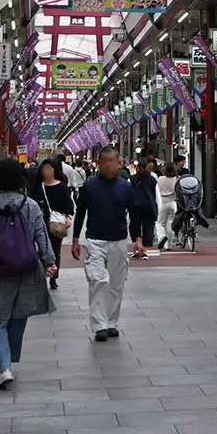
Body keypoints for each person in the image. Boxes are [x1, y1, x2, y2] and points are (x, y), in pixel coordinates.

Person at [0, 160, 58, 388]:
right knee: (18, 316)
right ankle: (6, 363)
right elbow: (41, 236)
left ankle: (3, 366)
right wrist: (49, 261)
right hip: (26, 269)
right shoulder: (31, 205)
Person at [70, 147, 142, 342]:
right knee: (98, 280)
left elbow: (134, 214)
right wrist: (76, 238)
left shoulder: (125, 187)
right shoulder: (90, 186)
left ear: (118, 163)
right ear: (99, 163)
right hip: (95, 240)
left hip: (119, 240)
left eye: (112, 160)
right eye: (105, 161)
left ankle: (112, 323)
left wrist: (138, 239)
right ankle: (99, 325)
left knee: (117, 284)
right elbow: (81, 213)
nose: (109, 164)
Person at [32, 159, 74, 291]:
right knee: (40, 250)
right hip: (40, 223)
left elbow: (68, 204)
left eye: (49, 169)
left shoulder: (61, 187)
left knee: (55, 251)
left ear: (54, 170)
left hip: (56, 224)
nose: (47, 171)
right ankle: (41, 276)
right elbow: (32, 202)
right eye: (44, 169)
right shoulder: (38, 187)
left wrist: (68, 216)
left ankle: (53, 277)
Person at [128, 157, 159, 259]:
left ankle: (138, 247)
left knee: (135, 227)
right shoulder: (153, 179)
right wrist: (157, 208)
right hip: (149, 206)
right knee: (148, 228)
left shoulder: (132, 179)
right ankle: (144, 251)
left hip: (135, 206)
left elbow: (127, 193)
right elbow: (157, 195)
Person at [156, 161, 179, 250]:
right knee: (170, 223)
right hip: (173, 203)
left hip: (162, 202)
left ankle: (162, 237)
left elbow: (156, 190)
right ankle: (168, 245)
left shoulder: (160, 179)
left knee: (159, 223)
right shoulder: (177, 179)